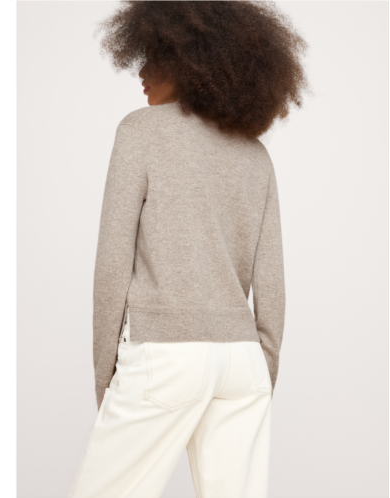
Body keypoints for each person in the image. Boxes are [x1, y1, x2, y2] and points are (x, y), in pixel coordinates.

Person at [71, 1, 307, 496]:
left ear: (192, 61)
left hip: (164, 353)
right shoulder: (255, 155)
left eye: (156, 57)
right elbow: (272, 281)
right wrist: (260, 369)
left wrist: (107, 377)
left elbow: (112, 263)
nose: (141, 71)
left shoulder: (140, 130)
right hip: (242, 362)